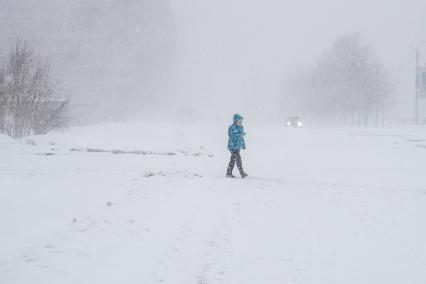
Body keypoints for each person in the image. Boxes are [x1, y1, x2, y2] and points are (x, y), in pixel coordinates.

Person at [226, 114, 248, 178]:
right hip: (232, 146)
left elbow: (241, 138)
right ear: (235, 121)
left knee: (232, 160)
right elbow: (231, 136)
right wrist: (239, 135)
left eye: (241, 121)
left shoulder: (241, 128)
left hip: (237, 147)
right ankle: (242, 172)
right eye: (239, 121)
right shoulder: (232, 127)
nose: (240, 122)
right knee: (238, 159)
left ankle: (229, 173)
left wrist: (243, 145)